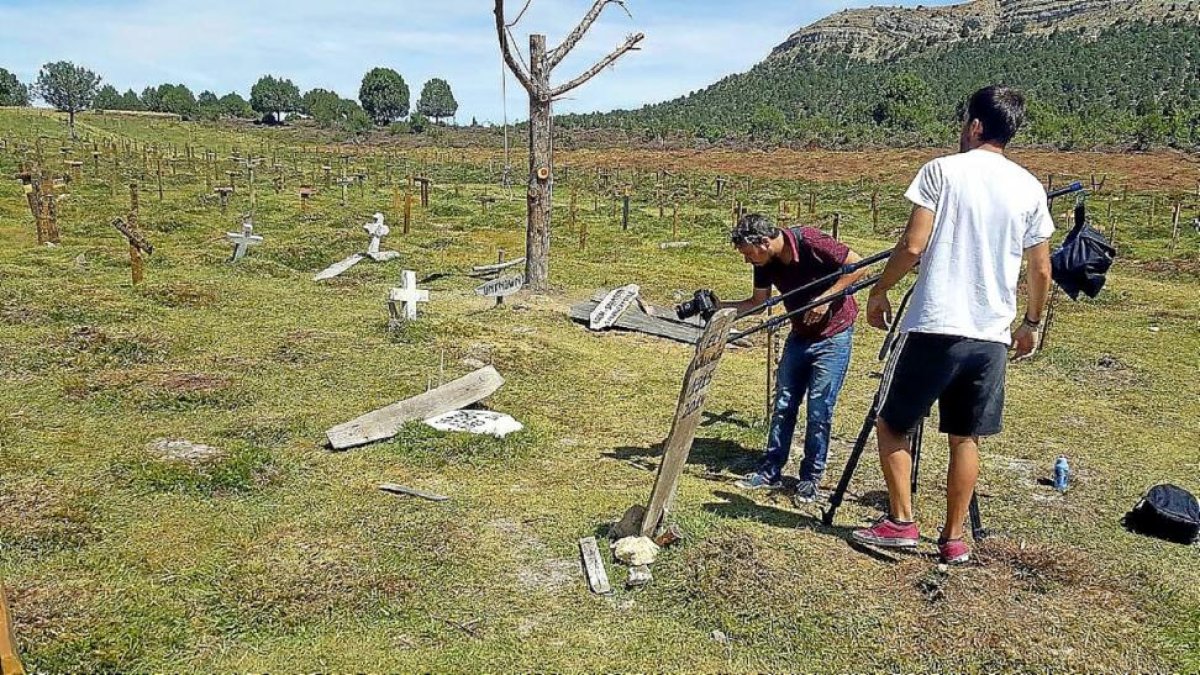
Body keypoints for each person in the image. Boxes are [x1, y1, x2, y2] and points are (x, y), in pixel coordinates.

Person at [851, 85, 1054, 564]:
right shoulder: (1029, 187)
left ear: (976, 125)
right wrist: (1030, 322)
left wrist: (880, 290)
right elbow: (1041, 269)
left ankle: (901, 522)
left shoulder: (941, 170)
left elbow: (913, 245)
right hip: (990, 335)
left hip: (935, 324)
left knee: (893, 421)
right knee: (966, 436)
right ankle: (954, 539)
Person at [723, 214, 868, 503]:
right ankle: (770, 471)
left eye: (748, 253)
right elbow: (757, 303)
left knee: (819, 409)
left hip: (833, 336)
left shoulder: (810, 241)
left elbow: (858, 266)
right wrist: (719, 309)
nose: (747, 260)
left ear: (763, 242)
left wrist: (825, 298)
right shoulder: (765, 261)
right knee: (784, 404)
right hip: (800, 335)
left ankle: (810, 478)